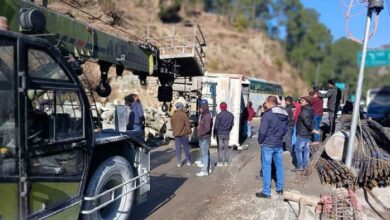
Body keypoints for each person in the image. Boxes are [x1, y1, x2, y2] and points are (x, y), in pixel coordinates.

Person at [256, 96, 288, 199]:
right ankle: (279, 189)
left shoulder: (268, 114)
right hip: (278, 144)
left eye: (266, 102)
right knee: (279, 166)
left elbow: (262, 131)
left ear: (270, 103)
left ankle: (266, 192)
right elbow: (285, 129)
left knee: (266, 167)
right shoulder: (285, 114)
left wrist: (260, 141)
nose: (265, 104)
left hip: (268, 144)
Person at [292, 96, 314, 172]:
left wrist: (312, 129)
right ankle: (305, 165)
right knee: (306, 150)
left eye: (302, 100)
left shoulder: (305, 111)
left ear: (307, 102)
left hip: (303, 133)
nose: (300, 101)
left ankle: (300, 166)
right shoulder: (309, 109)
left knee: (298, 149)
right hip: (306, 133)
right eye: (300, 100)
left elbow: (307, 123)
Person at [171, 102, 192, 167]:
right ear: (181, 107)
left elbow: (172, 125)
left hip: (176, 135)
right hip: (184, 135)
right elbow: (188, 125)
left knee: (178, 149)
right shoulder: (184, 115)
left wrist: (174, 131)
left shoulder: (173, 115)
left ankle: (179, 162)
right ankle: (188, 161)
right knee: (186, 148)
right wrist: (189, 131)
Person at [213, 102, 234, 167]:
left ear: (220, 107)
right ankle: (226, 162)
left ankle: (220, 162)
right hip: (227, 133)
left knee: (220, 148)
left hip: (220, 134)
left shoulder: (219, 115)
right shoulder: (231, 115)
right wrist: (229, 130)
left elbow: (216, 126)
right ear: (226, 107)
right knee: (226, 148)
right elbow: (232, 124)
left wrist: (214, 132)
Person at [196, 99, 213, 177]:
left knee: (204, 155)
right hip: (203, 137)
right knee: (206, 153)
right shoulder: (203, 115)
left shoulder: (207, 116)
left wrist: (200, 132)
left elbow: (207, 129)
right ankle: (208, 167)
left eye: (200, 107)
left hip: (205, 138)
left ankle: (204, 170)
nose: (199, 109)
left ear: (204, 107)